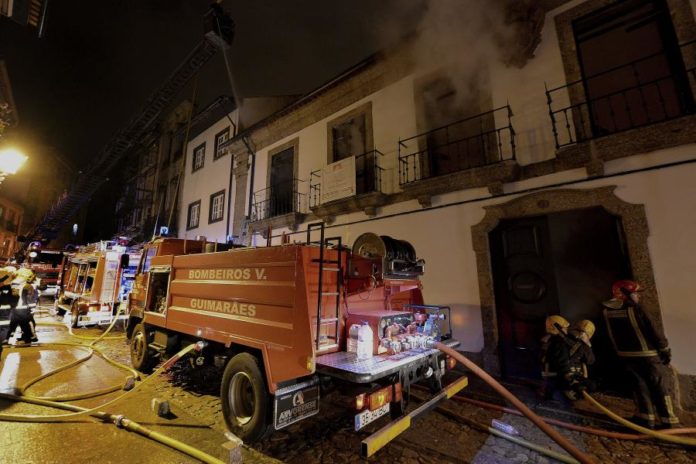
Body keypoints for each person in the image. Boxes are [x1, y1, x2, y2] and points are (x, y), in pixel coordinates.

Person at [602, 280, 679, 429]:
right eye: (635, 293)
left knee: (639, 387)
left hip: (627, 357)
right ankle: (669, 421)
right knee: (660, 387)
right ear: (625, 294)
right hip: (649, 356)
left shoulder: (606, 311)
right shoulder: (637, 309)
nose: (638, 296)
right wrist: (664, 349)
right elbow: (653, 329)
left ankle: (646, 419)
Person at [539, 315, 572, 401]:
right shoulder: (560, 343)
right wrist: (568, 375)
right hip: (555, 378)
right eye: (564, 327)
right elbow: (562, 361)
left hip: (545, 375)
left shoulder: (546, 340)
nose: (566, 329)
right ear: (557, 328)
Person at [563, 319, 596, 400]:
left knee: (591, 385)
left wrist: (587, 345)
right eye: (579, 331)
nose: (581, 334)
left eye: (584, 333)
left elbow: (590, 361)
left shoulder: (583, 345)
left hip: (575, 375)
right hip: (564, 375)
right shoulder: (564, 341)